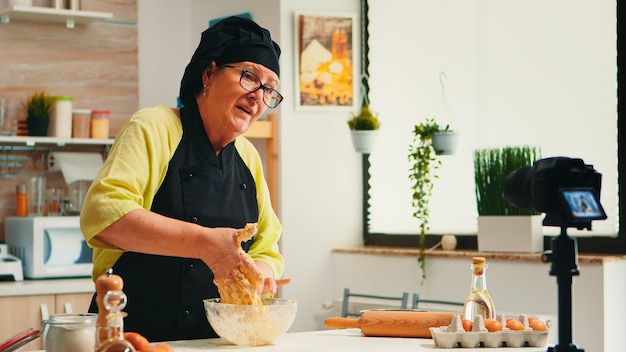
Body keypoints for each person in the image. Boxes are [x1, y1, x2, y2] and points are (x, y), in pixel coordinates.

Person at [80, 16, 288, 342]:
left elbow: (268, 248)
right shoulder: (154, 127)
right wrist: (205, 245)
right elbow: (104, 215)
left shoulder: (248, 157)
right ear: (208, 74)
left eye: (269, 89)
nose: (258, 96)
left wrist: (259, 274)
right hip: (132, 339)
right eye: (249, 77)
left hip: (215, 343)